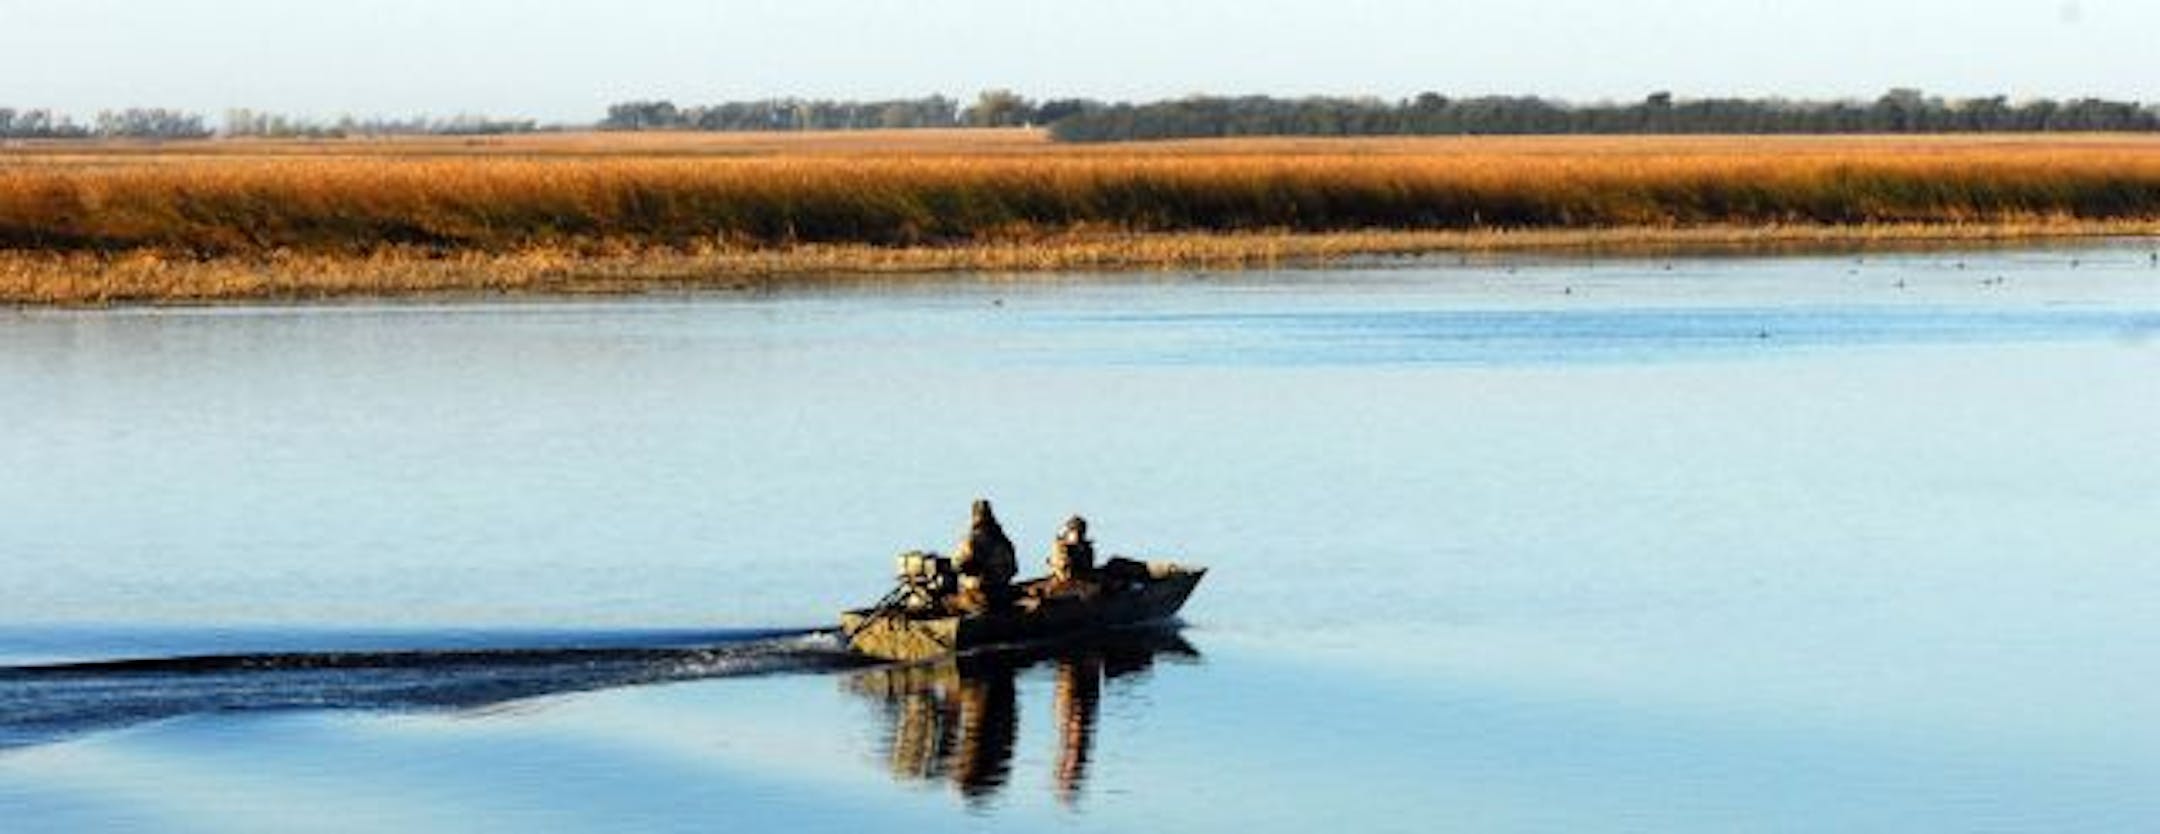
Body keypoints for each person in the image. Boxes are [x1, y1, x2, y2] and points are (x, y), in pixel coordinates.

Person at [951, 499, 1018, 607]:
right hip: (1002, 590)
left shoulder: (972, 540)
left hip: (980, 592)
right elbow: (1014, 569)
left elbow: (958, 565)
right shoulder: (1003, 539)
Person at [1046, 515, 1096, 583]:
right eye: (1074, 531)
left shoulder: (1086, 548)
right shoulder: (1061, 547)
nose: (1077, 535)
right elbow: (1063, 570)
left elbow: (1089, 566)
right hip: (1064, 581)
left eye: (1080, 532)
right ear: (1068, 532)